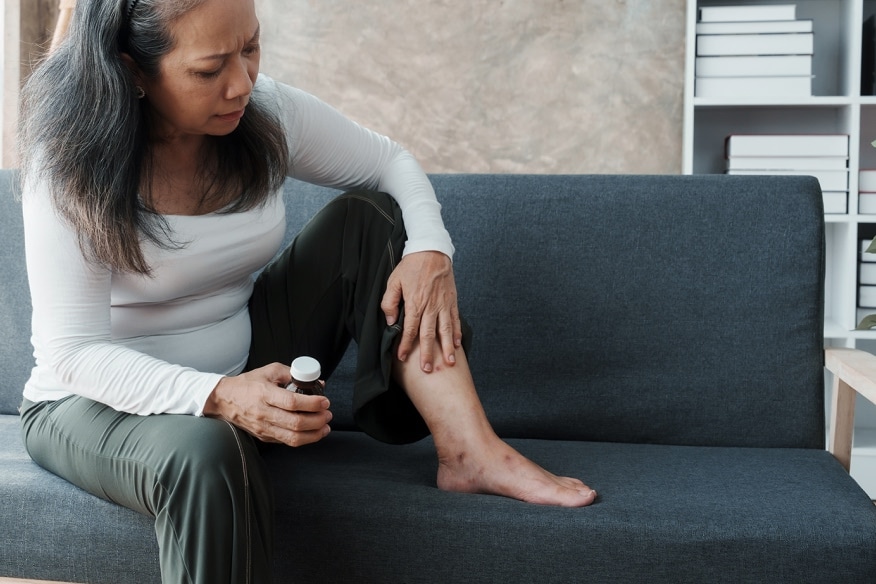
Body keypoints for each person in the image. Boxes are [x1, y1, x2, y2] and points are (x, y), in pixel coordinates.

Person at [17, 0, 597, 581]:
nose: (242, 84)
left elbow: (388, 162)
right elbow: (74, 353)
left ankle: (471, 452)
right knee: (206, 450)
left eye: (250, 48)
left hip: (246, 367)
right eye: (209, 68)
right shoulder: (68, 160)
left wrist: (429, 249)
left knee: (366, 221)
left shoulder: (260, 110)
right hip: (93, 403)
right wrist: (219, 395)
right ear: (132, 70)